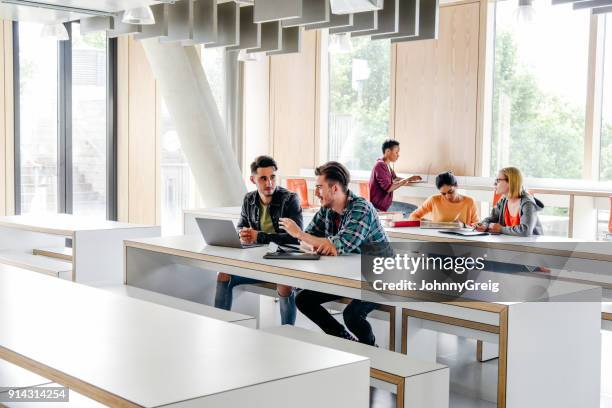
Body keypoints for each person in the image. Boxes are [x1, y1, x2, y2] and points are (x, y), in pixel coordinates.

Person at [279, 161, 388, 345]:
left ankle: (372, 351)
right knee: (303, 300)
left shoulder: (361, 209)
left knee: (352, 315)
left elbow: (335, 246)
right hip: (348, 275)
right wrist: (311, 240)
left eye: (319, 187)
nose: (316, 192)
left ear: (335, 188)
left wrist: (300, 234)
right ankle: (344, 339)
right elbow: (308, 241)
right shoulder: (327, 211)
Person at [214, 155, 303, 325]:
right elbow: (241, 226)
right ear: (253, 179)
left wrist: (259, 236)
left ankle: (288, 332)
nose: (269, 182)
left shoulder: (290, 199)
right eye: (263, 178)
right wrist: (243, 234)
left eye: (272, 177)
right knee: (223, 274)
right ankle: (220, 325)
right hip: (257, 264)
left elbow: (296, 237)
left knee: (285, 284)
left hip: (283, 264)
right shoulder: (249, 199)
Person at [474, 167, 544, 236]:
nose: (494, 184)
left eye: (498, 180)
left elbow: (525, 230)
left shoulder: (527, 203)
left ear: (510, 182)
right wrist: (484, 225)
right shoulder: (503, 201)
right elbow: (491, 219)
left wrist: (501, 229)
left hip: (531, 246)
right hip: (512, 244)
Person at [368, 139, 421, 215]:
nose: (398, 155)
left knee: (413, 209)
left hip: (385, 203)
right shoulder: (380, 165)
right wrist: (407, 179)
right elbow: (388, 188)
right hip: (379, 206)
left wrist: (411, 179)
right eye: (396, 152)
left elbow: (395, 178)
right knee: (413, 210)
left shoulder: (386, 165)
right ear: (388, 151)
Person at [408, 171, 479, 225]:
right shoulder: (434, 200)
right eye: (443, 193)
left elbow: (476, 224)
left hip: (460, 241)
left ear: (456, 186)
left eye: (450, 191)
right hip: (439, 239)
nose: (448, 196)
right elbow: (413, 217)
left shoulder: (469, 202)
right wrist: (428, 223)